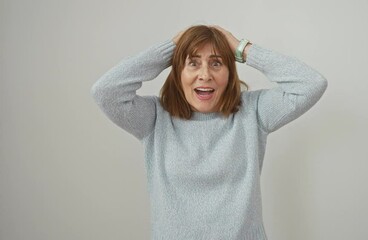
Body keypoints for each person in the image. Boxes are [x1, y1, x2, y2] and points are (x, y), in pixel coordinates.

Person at [91, 25, 327, 240]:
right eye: (192, 63)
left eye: (216, 63)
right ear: (178, 72)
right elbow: (106, 91)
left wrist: (241, 48)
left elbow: (311, 83)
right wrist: (171, 49)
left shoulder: (253, 112)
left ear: (230, 72)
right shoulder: (154, 118)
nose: (205, 74)